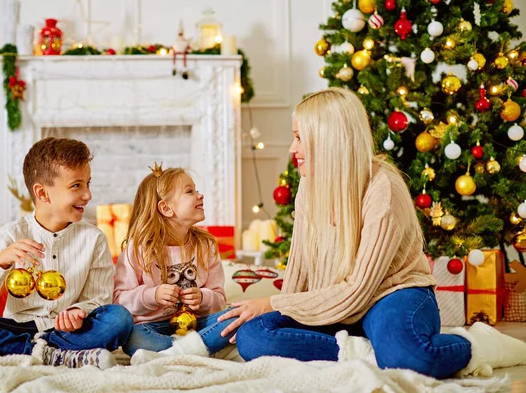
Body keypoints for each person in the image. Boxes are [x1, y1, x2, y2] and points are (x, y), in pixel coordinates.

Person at [217, 88, 526, 379]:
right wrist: (282, 310)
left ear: (328, 139)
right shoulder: (308, 187)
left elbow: (360, 289)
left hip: (390, 295)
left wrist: (273, 304)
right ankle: (370, 353)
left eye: (299, 138)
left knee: (409, 357)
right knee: (254, 337)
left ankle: (480, 346)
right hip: (337, 304)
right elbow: (300, 272)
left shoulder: (383, 187)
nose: (291, 149)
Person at [0, 137, 133, 369]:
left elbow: (99, 299)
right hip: (16, 326)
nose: (88, 195)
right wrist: (1, 261)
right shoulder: (9, 235)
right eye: (76, 185)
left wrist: (77, 312)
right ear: (42, 193)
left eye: (88, 184)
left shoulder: (94, 239)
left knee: (119, 318)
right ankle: (58, 356)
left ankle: (31, 353)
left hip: (68, 331)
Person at [113, 164, 237, 365]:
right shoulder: (138, 249)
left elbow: (219, 299)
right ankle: (198, 349)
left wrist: (203, 297)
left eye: (196, 190)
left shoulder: (206, 245)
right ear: (166, 208)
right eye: (190, 191)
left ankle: (170, 355)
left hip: (197, 324)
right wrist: (152, 296)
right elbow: (119, 301)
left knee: (236, 318)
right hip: (151, 326)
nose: (200, 195)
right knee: (133, 338)